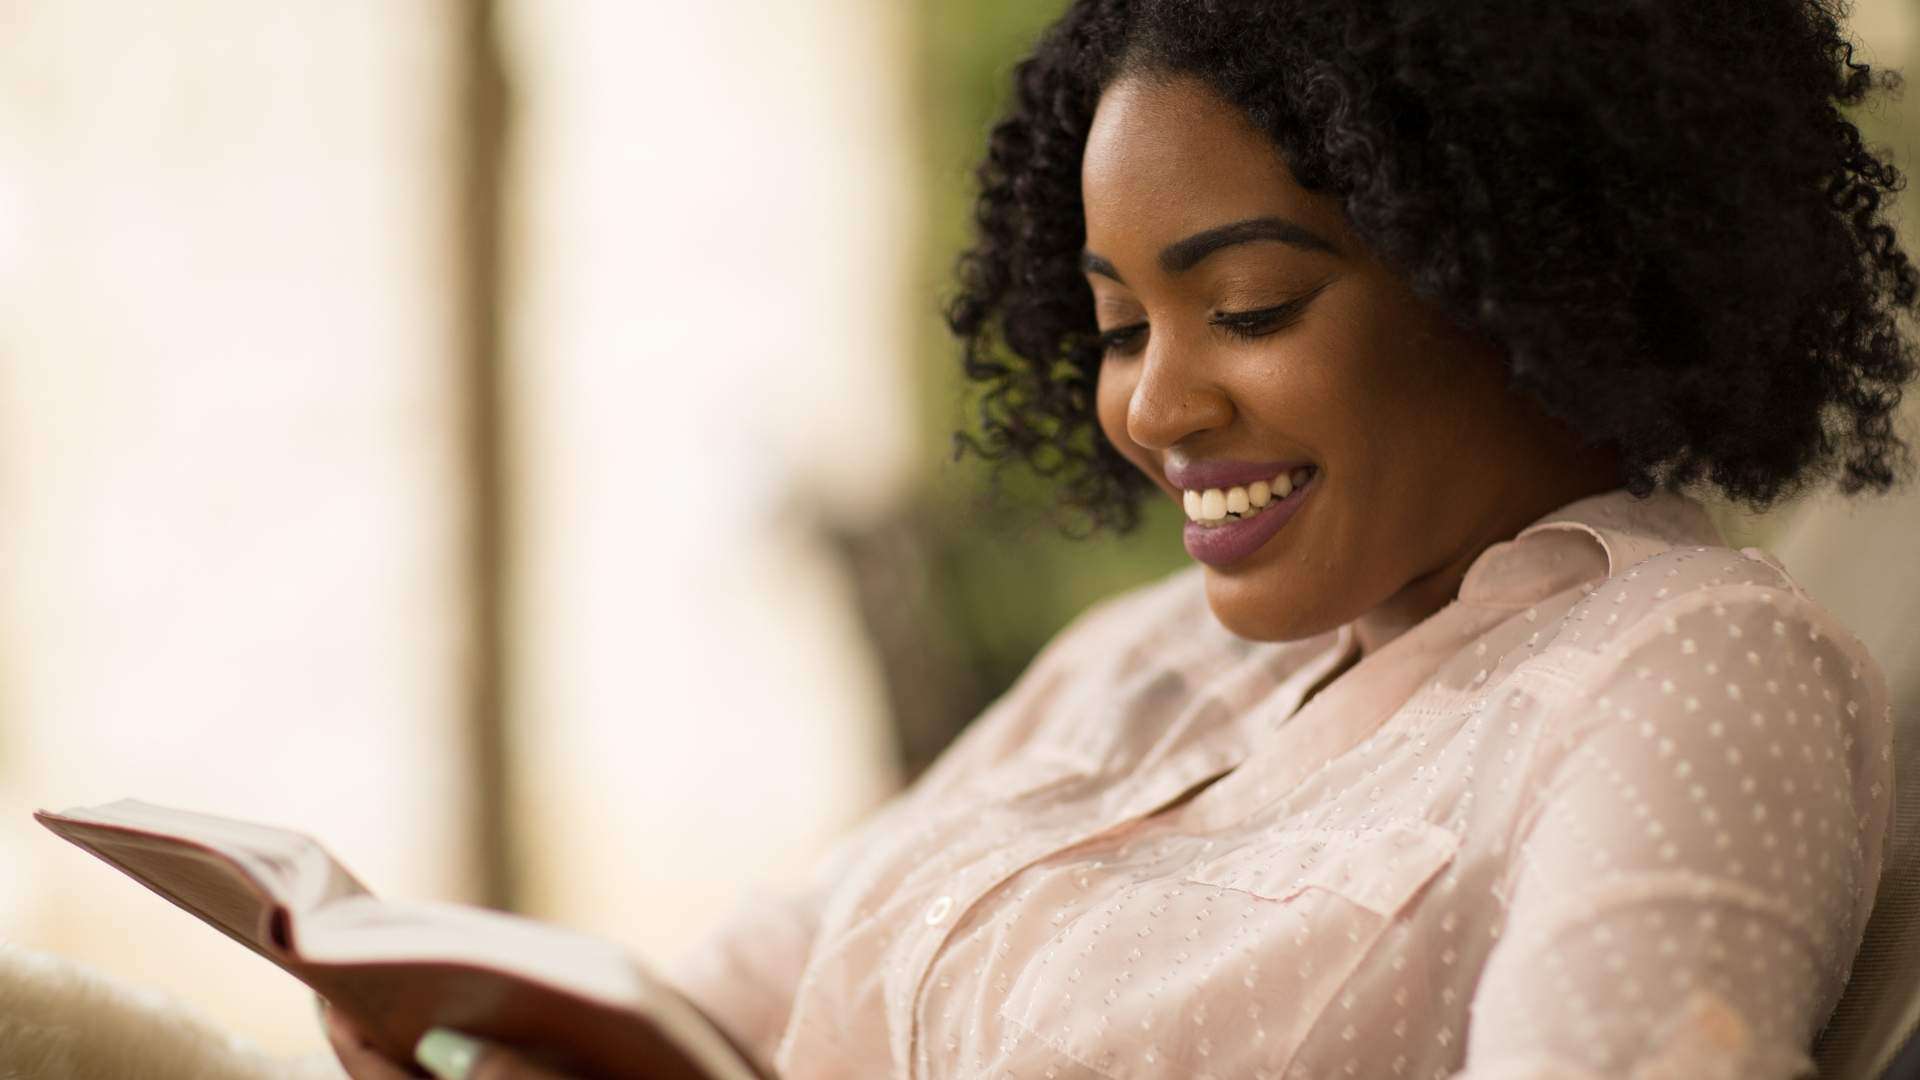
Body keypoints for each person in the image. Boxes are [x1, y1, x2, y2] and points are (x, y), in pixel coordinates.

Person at [326, 0, 1918, 1076]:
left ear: (1536, 276)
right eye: (1113, 324)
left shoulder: (1687, 667)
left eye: (1248, 309)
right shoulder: (1135, 665)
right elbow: (720, 1010)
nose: (1153, 407)